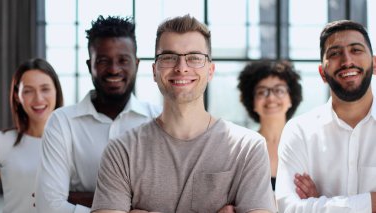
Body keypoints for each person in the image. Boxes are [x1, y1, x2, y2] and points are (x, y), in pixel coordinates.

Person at [91, 14, 276, 213]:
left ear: (210, 71)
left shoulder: (247, 147)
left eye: (194, 58)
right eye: (169, 57)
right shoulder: (122, 151)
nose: (181, 68)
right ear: (154, 71)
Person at [35, 16, 161, 213]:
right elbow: (48, 206)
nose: (113, 69)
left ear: (136, 64)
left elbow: (167, 201)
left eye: (123, 60)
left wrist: (78, 199)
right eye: (103, 60)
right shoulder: (62, 122)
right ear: (89, 65)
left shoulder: (158, 120)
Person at [275, 20, 376, 212]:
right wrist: (370, 202)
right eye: (335, 53)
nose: (347, 61)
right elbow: (289, 208)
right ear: (322, 73)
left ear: (375, 63)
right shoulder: (299, 132)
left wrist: (318, 203)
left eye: (356, 50)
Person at [0, 58, 63, 213]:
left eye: (45, 89)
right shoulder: (0, 142)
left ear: (56, 91)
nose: (38, 98)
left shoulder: (73, 143)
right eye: (28, 91)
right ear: (17, 96)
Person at [237, 60, 302, 191]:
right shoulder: (243, 149)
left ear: (291, 98)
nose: (271, 98)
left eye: (279, 90)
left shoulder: (305, 145)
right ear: (252, 101)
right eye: (262, 92)